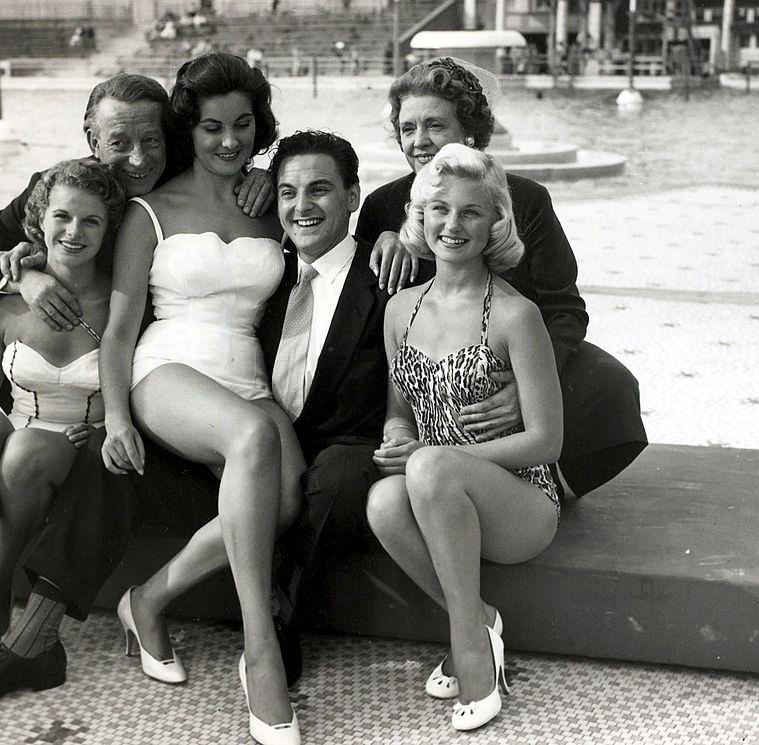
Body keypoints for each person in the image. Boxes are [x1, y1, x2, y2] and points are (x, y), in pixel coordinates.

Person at [0, 72, 273, 710]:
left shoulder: (183, 193)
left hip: (163, 387)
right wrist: (23, 280)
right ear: (91, 137)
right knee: (7, 438)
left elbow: (230, 146)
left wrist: (263, 169)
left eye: (152, 139)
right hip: (75, 386)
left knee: (117, 458)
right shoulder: (58, 192)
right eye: (119, 142)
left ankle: (37, 623)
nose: (137, 157)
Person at [99, 53, 301, 745]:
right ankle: (260, 651)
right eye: (212, 126)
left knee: (288, 499)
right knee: (252, 439)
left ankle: (148, 598)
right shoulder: (148, 211)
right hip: (168, 369)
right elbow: (122, 329)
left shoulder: (271, 203)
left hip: (245, 373)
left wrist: (275, 182)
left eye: (243, 125)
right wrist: (117, 415)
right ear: (191, 128)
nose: (228, 141)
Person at [355, 56, 646, 498]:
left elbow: (564, 307)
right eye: (408, 128)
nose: (419, 141)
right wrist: (389, 239)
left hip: (507, 361)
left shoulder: (525, 199)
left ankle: (548, 487)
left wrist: (525, 389)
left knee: (610, 383)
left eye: (434, 125)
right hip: (427, 383)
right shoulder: (382, 207)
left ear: (468, 131)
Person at [367, 144, 561, 733]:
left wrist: (438, 458)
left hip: (520, 503)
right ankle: (479, 618)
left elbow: (547, 441)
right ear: (419, 218)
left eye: (471, 212)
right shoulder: (400, 309)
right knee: (381, 501)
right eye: (439, 210)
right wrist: (399, 434)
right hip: (439, 494)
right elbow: (400, 405)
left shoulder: (515, 315)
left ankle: (470, 651)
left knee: (427, 469)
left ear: (495, 222)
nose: (453, 225)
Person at [0, 160, 125, 701]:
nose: (74, 232)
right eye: (62, 217)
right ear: (38, 222)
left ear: (109, 230)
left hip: (82, 448)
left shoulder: (123, 307)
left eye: (91, 222)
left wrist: (105, 425)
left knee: (27, 450)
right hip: (19, 440)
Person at [256, 130, 394, 662]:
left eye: (320, 189)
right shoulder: (264, 274)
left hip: (349, 445)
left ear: (353, 196)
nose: (301, 206)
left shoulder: (387, 273)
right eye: (288, 192)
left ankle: (277, 628)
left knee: (337, 480)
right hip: (271, 437)